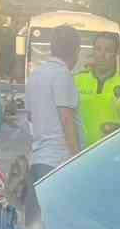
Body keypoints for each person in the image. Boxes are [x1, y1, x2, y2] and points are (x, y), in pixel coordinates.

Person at [25, 25, 81, 182]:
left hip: (37, 160)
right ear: (76, 50)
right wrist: (77, 158)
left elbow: (30, 117)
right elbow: (66, 119)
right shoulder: (63, 75)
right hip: (59, 162)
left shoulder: (35, 75)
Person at [74, 32, 120, 148]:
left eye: (108, 50)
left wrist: (119, 128)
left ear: (115, 55)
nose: (102, 55)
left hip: (111, 154)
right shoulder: (76, 81)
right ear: (93, 52)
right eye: (98, 49)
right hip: (81, 156)